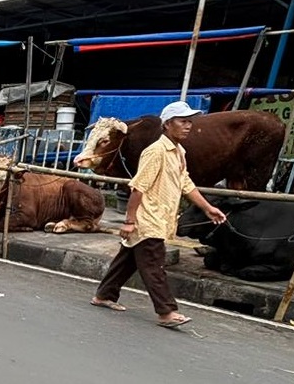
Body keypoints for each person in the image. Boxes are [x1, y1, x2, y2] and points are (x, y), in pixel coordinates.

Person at [90, 101, 226, 328]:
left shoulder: (179, 152)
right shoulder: (155, 151)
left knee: (128, 260)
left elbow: (186, 184)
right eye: (183, 121)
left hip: (161, 217)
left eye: (189, 121)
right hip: (148, 219)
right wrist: (130, 221)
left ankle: (104, 295)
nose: (188, 126)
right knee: (153, 265)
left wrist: (207, 207)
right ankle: (167, 311)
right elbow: (138, 187)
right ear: (167, 124)